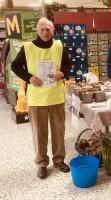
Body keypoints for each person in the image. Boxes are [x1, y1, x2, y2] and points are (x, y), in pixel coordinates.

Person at [11, 17, 71, 179]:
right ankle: (42, 163)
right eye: (42, 29)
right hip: (37, 98)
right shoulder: (28, 47)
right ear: (37, 30)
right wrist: (28, 77)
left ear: (52, 31)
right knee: (39, 131)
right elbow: (15, 66)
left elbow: (68, 64)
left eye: (48, 29)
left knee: (59, 130)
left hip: (56, 96)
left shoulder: (58, 46)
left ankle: (59, 159)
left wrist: (62, 72)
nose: (45, 32)